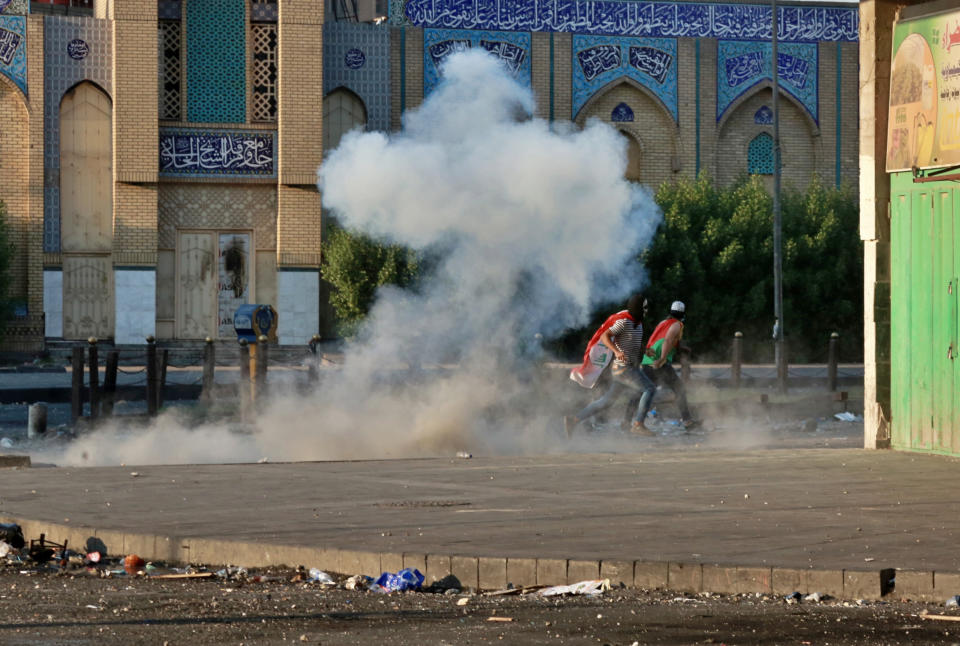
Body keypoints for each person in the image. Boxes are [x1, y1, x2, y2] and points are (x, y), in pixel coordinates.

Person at [566, 294, 657, 437]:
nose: (647, 311)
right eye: (644, 308)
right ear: (638, 308)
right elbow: (605, 336)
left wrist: (646, 350)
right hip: (624, 369)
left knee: (606, 401)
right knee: (649, 388)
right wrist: (616, 351)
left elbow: (633, 342)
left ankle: (574, 419)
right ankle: (638, 424)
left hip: (624, 370)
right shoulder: (624, 322)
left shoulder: (637, 324)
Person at [635, 300, 700, 429]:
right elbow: (668, 340)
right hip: (659, 362)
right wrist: (662, 358)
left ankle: (628, 421)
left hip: (648, 360)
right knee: (679, 389)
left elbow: (662, 340)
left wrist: (681, 348)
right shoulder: (677, 324)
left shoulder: (663, 323)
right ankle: (687, 421)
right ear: (682, 314)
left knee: (641, 391)